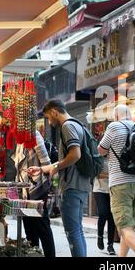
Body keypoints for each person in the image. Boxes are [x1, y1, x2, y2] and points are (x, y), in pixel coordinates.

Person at [28, 99, 91, 257]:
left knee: (72, 232)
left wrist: (55, 167)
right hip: (80, 185)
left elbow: (75, 155)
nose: (49, 122)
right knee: (77, 231)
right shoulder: (77, 124)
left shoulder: (67, 126)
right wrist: (43, 168)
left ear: (55, 112)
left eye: (49, 117)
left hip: (71, 185)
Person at [97, 104, 135, 257]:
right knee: (128, 225)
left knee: (124, 227)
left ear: (116, 116)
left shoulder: (114, 127)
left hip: (120, 183)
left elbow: (100, 150)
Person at [12, 130, 56, 257]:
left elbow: (47, 164)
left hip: (37, 189)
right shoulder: (20, 139)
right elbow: (19, 168)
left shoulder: (34, 135)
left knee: (42, 227)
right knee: (29, 229)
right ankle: (34, 254)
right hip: (24, 190)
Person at [93, 158, 116, 255]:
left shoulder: (115, 159)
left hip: (112, 190)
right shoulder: (99, 158)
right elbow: (97, 174)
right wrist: (111, 175)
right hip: (99, 189)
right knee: (103, 213)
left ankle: (110, 245)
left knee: (112, 217)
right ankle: (100, 236)